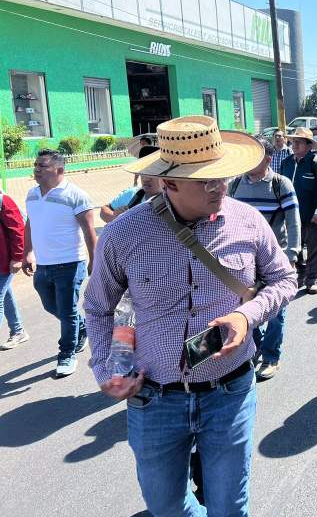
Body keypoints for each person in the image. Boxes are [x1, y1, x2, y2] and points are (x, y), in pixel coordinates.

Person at [85, 116, 296, 517]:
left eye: (222, 176)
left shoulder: (247, 221)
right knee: (165, 506)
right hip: (154, 399)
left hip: (229, 392)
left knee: (230, 508)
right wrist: (105, 369)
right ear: (169, 182)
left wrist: (246, 315)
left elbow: (285, 280)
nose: (220, 187)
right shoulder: (123, 234)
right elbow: (98, 308)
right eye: (206, 181)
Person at [229, 140, 301, 381]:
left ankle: (271, 357)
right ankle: (256, 349)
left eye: (255, 156)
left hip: (274, 259)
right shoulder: (235, 184)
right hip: (243, 260)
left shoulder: (281, 184)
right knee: (246, 307)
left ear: (268, 160)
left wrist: (292, 254)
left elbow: (293, 222)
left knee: (276, 311)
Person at [23, 149, 96, 377]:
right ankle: (80, 326)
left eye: (43, 166)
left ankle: (66, 354)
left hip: (70, 264)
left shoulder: (76, 195)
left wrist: (95, 261)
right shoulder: (31, 194)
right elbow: (30, 223)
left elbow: (89, 231)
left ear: (59, 170)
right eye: (36, 165)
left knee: (66, 311)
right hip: (43, 265)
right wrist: (27, 252)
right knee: (51, 306)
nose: (37, 169)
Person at [281, 127, 317, 295]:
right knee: (296, 247)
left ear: (309, 146)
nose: (294, 145)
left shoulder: (316, 163)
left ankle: (312, 279)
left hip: (313, 214)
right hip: (292, 216)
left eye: (299, 142)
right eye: (293, 142)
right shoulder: (286, 163)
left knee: (314, 248)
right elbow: (279, 187)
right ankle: (301, 275)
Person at [100, 146, 162, 223]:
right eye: (143, 172)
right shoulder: (132, 194)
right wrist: (114, 218)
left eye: (152, 173)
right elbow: (104, 210)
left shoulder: (173, 201)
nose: (146, 179)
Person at [0, 189, 27, 350]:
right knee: (5, 294)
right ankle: (18, 331)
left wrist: (18, 257)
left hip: (4, 262)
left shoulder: (3, 200)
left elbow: (18, 230)